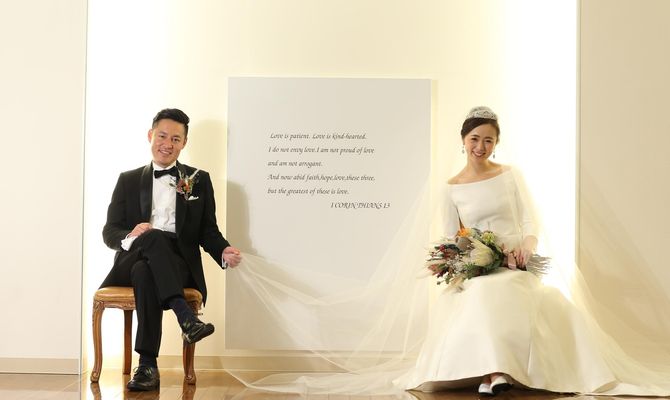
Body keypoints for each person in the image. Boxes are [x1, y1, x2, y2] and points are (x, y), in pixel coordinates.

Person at [394, 106, 669, 396]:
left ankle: (493, 376)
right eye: (475, 139)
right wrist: (468, 261)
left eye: (488, 140)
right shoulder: (451, 188)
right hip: (478, 270)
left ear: (496, 143)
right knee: (483, 293)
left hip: (515, 264)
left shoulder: (510, 175)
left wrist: (527, 246)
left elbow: (529, 219)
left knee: (500, 291)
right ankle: (495, 373)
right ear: (463, 139)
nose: (480, 147)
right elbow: (455, 239)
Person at [100, 108, 242, 391]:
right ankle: (185, 317)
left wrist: (223, 250)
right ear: (150, 135)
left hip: (177, 263)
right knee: (151, 240)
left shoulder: (199, 179)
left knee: (145, 272)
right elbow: (109, 231)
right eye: (162, 136)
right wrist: (131, 234)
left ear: (184, 143)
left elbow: (207, 230)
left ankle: (147, 366)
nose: (168, 144)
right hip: (134, 253)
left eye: (176, 139)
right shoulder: (127, 179)